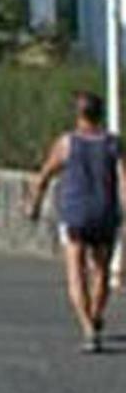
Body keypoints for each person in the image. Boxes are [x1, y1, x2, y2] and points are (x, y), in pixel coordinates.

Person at [27, 91, 126, 353]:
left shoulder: (67, 143)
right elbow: (124, 180)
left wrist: (34, 205)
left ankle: (88, 327)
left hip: (75, 213)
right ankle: (95, 314)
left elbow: (44, 175)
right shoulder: (114, 144)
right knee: (101, 269)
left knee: (76, 270)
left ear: (78, 114)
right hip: (105, 213)